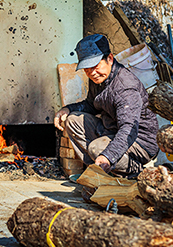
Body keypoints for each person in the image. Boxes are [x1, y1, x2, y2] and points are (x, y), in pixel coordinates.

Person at [54, 34, 159, 178]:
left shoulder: (125, 87)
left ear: (109, 59)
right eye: (86, 69)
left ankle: (136, 171)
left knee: (97, 149)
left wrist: (108, 155)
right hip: (111, 130)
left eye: (95, 66)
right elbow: (92, 105)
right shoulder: (99, 78)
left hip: (139, 142)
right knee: (73, 120)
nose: (92, 73)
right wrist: (68, 109)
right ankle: (99, 171)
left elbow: (129, 130)